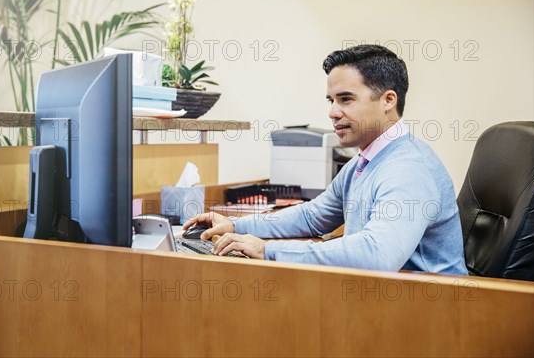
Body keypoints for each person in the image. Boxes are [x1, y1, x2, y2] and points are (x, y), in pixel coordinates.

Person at [183, 44, 468, 274]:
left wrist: (267, 250)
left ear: (388, 101)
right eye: (331, 100)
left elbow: (377, 254)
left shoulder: (408, 169)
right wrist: (236, 226)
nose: (332, 112)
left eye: (345, 99)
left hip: (432, 314)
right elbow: (313, 216)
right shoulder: (366, 160)